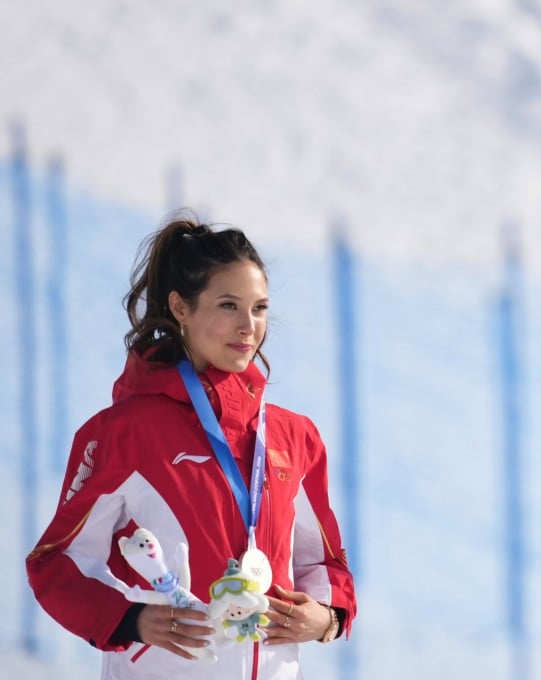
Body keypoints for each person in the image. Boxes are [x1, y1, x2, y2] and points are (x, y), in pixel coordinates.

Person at [26, 214, 357, 679]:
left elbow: (323, 561)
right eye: (228, 305)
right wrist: (130, 619)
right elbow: (58, 562)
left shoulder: (293, 437)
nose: (248, 326)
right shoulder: (125, 433)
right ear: (180, 307)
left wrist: (326, 618)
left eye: (259, 308)